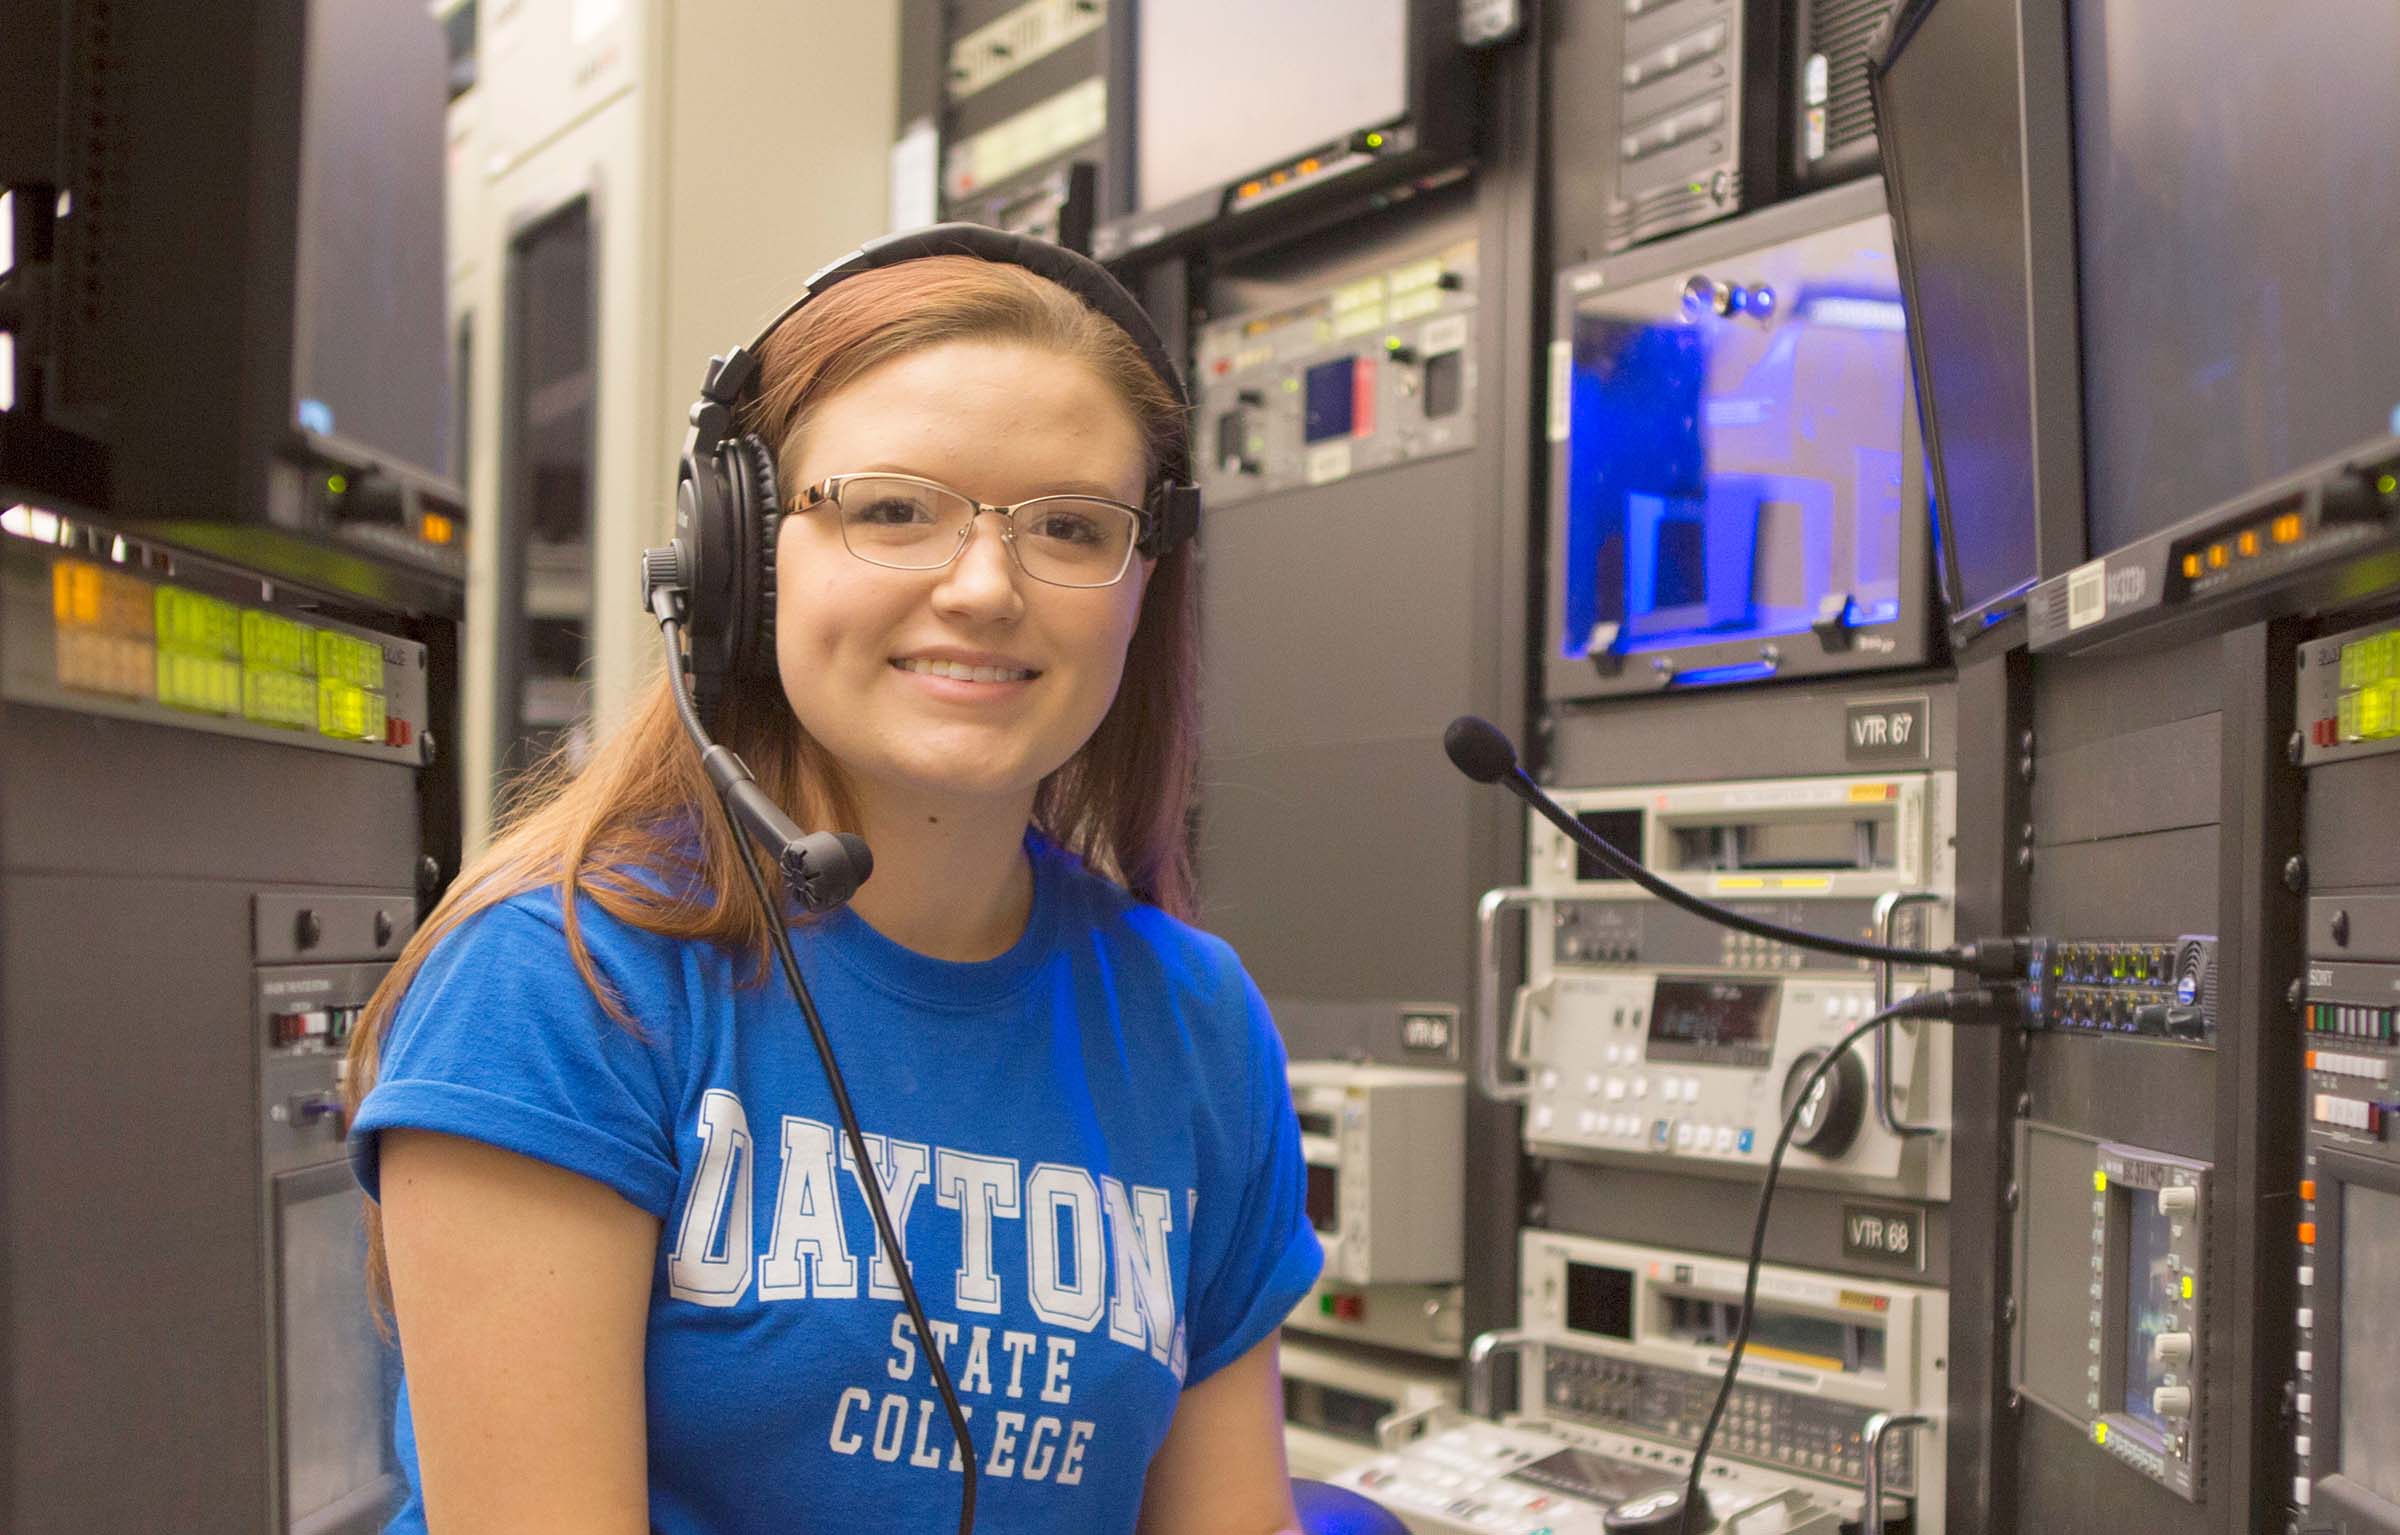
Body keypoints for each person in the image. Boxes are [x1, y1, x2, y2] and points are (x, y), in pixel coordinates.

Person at [342, 238, 1325, 1534]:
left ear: (1144, 586)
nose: (984, 588)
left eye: (1072, 528)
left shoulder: (1192, 1017)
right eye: (895, 510)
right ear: (740, 556)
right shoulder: (562, 980)